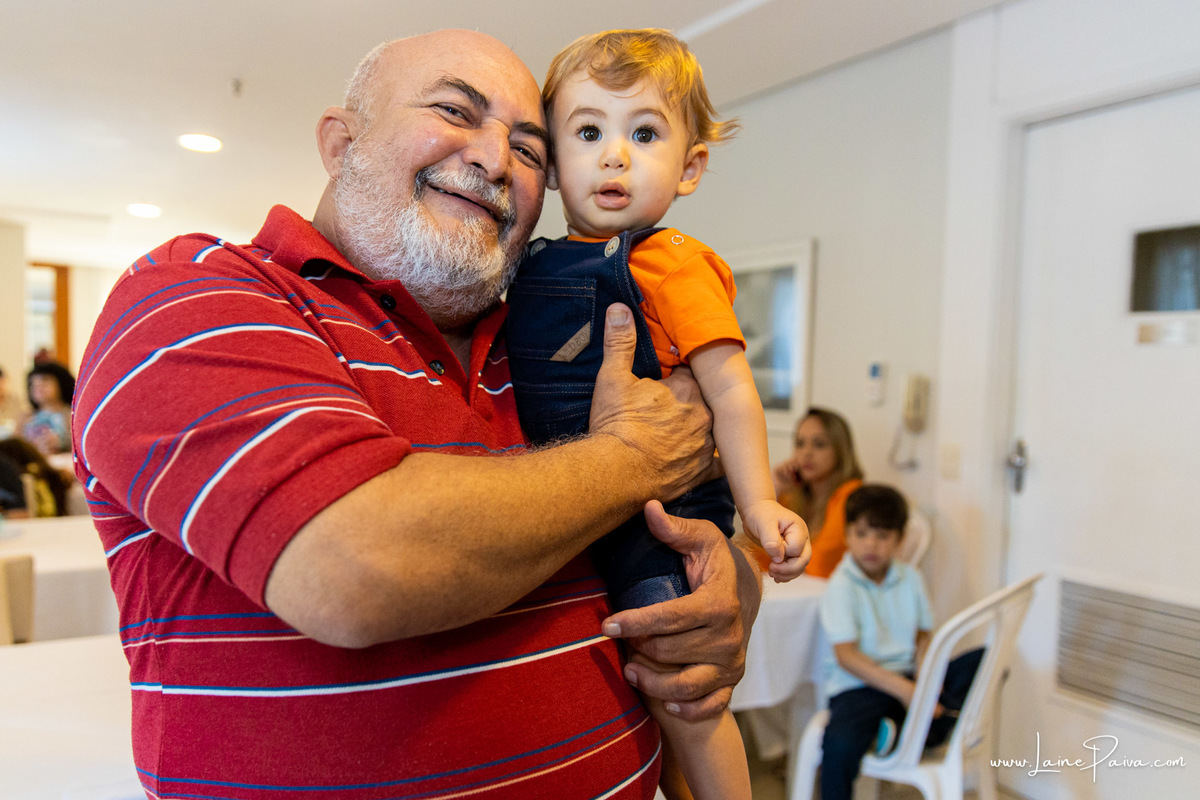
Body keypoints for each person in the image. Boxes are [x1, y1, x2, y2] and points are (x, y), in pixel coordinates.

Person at [71, 30, 762, 800]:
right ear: (341, 141)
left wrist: (724, 597)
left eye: (531, 150)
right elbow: (354, 568)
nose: (496, 159)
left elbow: (686, 520)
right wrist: (632, 460)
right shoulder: (192, 295)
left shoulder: (557, 335)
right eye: (456, 111)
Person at [506, 29, 810, 800]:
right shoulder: (529, 264)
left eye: (643, 133)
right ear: (550, 160)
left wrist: (759, 502)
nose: (614, 156)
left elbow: (732, 389)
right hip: (570, 510)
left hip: (656, 514)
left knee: (683, 693)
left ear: (691, 166)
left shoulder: (670, 260)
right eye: (588, 132)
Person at [818, 484, 983, 800]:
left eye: (882, 536)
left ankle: (897, 727)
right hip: (859, 686)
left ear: (899, 540)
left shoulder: (910, 578)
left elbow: (923, 637)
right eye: (862, 533)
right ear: (847, 534)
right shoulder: (841, 586)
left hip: (907, 676)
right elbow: (846, 656)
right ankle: (914, 726)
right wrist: (910, 692)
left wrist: (924, 679)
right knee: (839, 744)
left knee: (980, 660)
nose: (871, 544)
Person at [773, 406, 864, 577]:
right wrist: (775, 489)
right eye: (800, 443)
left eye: (819, 444)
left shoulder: (851, 494)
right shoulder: (794, 494)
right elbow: (759, 554)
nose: (806, 453)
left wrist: (782, 561)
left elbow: (823, 563)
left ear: (840, 451)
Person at [23, 360, 75, 456]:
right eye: (33, 384)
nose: (38, 387)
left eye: (44, 381)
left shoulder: (72, 415)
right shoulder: (25, 417)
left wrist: (62, 443)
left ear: (61, 383)